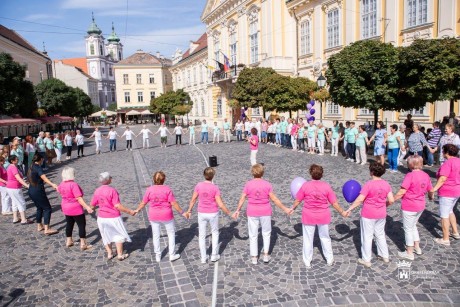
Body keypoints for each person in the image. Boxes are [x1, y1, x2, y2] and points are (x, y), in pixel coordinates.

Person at [291, 164, 347, 268]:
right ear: (322, 174)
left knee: (308, 239)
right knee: (325, 237)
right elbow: (334, 203)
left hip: (308, 215)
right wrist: (342, 212)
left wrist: (292, 208)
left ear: (310, 173)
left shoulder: (305, 185)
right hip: (323, 215)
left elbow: (298, 200)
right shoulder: (326, 186)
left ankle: (307, 260)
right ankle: (329, 259)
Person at [232, 164, 291, 264]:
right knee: (267, 234)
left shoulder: (248, 184)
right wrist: (285, 209)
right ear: (262, 172)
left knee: (253, 234)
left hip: (252, 211)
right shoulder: (267, 184)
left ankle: (254, 257)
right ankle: (266, 255)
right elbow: (274, 199)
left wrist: (238, 210)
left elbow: (242, 198)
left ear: (252, 173)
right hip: (265, 211)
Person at [345, 162, 395, 268]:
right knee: (380, 234)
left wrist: (350, 208)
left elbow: (360, 200)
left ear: (372, 172)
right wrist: (383, 205)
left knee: (367, 237)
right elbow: (391, 200)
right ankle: (384, 255)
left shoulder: (369, 184)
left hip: (368, 214)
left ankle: (366, 259)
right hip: (381, 214)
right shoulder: (386, 184)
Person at [185, 167, 232, 263]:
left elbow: (193, 200)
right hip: (213, 213)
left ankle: (203, 257)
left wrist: (189, 210)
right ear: (213, 176)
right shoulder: (215, 188)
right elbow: (220, 204)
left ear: (204, 175)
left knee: (202, 235)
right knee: (215, 233)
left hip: (202, 213)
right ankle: (214, 255)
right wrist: (229, 213)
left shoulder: (198, 185)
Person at [135, 171, 184, 262]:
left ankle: (158, 255)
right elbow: (174, 203)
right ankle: (172, 255)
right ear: (164, 179)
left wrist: (137, 210)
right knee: (171, 234)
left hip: (154, 215)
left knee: (156, 235)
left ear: (154, 179)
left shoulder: (149, 190)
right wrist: (182, 212)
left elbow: (143, 202)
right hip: (166, 215)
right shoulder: (167, 189)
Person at [393, 155, 432, 260]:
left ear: (411, 164)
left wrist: (391, 200)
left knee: (408, 229)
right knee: (413, 226)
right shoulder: (426, 175)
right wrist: (431, 197)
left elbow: (402, 191)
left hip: (409, 205)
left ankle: (409, 252)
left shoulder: (410, 176)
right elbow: (430, 190)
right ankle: (417, 247)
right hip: (420, 205)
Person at [91, 172, 135, 261]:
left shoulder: (97, 190)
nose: (111, 178)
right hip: (113, 217)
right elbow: (117, 206)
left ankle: (110, 253)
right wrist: (129, 211)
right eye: (110, 177)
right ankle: (120, 255)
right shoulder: (112, 190)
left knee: (105, 234)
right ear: (107, 180)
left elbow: (92, 205)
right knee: (118, 234)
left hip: (102, 217)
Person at [430, 144, 460, 246]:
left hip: (447, 192)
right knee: (450, 211)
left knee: (444, 215)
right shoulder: (458, 161)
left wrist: (433, 189)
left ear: (447, 152)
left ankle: (445, 238)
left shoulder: (447, 163)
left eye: (443, 151)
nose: (442, 153)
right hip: (456, 191)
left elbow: (443, 178)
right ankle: (455, 232)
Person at [57, 167, 94, 250]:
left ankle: (69, 241)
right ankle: (83, 244)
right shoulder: (73, 184)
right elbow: (79, 198)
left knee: (69, 224)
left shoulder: (62, 184)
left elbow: (59, 190)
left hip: (65, 206)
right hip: (75, 207)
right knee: (81, 225)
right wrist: (87, 207)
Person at [27, 155, 59, 235]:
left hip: (31, 190)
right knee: (47, 208)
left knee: (39, 208)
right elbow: (44, 177)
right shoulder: (38, 167)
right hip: (38, 190)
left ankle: (39, 225)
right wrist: (53, 184)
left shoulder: (31, 166)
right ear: (41, 159)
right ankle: (47, 229)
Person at [5, 155, 31, 224]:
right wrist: (27, 185)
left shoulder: (10, 167)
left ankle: (15, 218)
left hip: (10, 187)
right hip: (14, 187)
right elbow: (18, 178)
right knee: (21, 202)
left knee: (15, 203)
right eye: (16, 159)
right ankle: (23, 219)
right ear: (12, 161)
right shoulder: (13, 167)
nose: (17, 160)